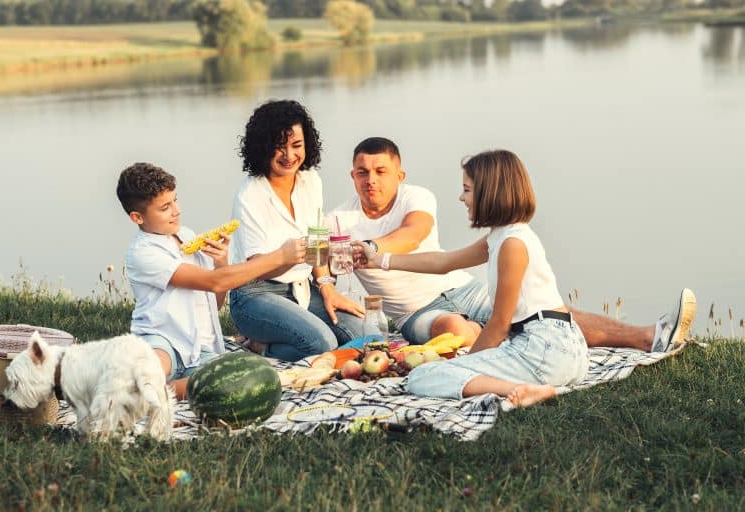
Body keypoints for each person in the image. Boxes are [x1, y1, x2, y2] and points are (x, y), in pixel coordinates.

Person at [332, 137, 697, 352]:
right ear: (352, 175)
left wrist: (375, 250)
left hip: (459, 287)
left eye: (380, 172)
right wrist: (325, 276)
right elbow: (319, 258)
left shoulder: (417, 197)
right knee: (459, 331)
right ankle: (497, 346)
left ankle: (650, 336)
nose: (371, 180)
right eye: (362, 172)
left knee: (547, 312)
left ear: (399, 174)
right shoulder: (337, 220)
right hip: (415, 312)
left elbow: (415, 234)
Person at [353, 149, 589, 406]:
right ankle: (530, 386)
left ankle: (524, 389)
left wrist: (466, 365)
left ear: (488, 192)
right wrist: (379, 259)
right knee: (448, 368)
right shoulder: (504, 235)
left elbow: (499, 324)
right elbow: (444, 262)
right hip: (565, 353)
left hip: (544, 352)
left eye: (467, 190)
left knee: (423, 376)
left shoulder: (512, 244)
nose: (461, 198)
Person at [117, 162, 306, 399]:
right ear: (137, 217)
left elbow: (213, 301)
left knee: (233, 386)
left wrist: (221, 263)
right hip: (161, 339)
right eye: (165, 207)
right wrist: (279, 256)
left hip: (200, 349)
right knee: (153, 368)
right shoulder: (143, 253)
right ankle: (142, 391)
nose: (176, 210)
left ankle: (157, 393)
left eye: (175, 200)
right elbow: (214, 282)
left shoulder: (185, 235)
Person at [227, 100, 369, 362]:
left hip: (302, 289)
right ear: (262, 147)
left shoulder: (311, 180)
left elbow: (316, 237)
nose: (289, 155)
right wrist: (285, 257)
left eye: (296, 145)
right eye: (279, 147)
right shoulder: (250, 194)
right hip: (254, 294)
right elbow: (256, 267)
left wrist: (326, 287)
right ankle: (259, 346)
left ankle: (301, 339)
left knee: (369, 335)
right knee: (322, 343)